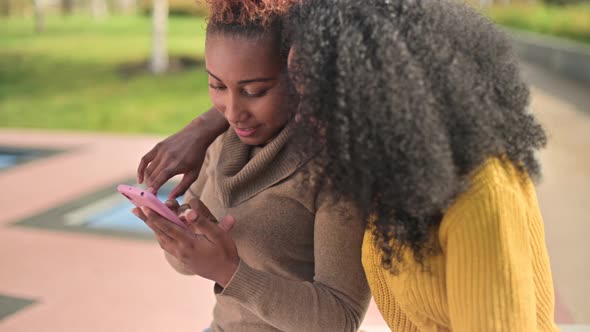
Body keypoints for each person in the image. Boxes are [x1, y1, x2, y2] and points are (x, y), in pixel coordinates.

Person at [139, 0, 559, 330]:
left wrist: (231, 270)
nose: (305, 114)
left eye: (317, 95)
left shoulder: (481, 196)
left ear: (378, 90)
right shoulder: (386, 172)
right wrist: (204, 128)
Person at [132, 1, 370, 331]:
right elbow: (186, 266)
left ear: (301, 74)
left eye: (255, 91)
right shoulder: (217, 143)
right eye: (217, 85)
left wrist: (229, 271)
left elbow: (341, 318)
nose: (232, 112)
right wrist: (179, 238)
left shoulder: (333, 168)